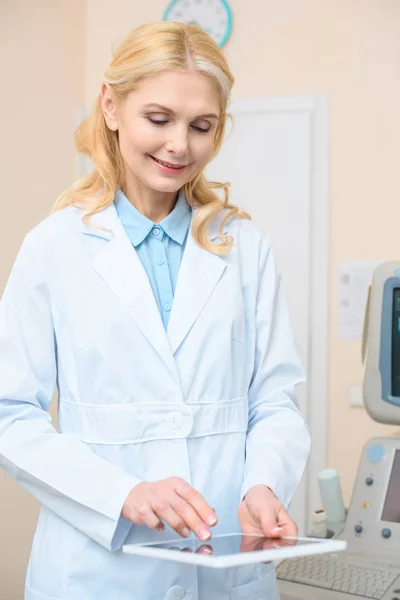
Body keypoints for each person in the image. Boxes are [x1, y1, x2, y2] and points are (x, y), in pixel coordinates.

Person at [0, 21, 310, 600]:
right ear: (111, 107)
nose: (179, 145)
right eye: (158, 118)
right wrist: (121, 493)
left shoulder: (243, 246)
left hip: (222, 561)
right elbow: (10, 412)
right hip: (100, 566)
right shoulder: (55, 247)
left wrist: (264, 484)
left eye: (201, 126)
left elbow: (274, 399)